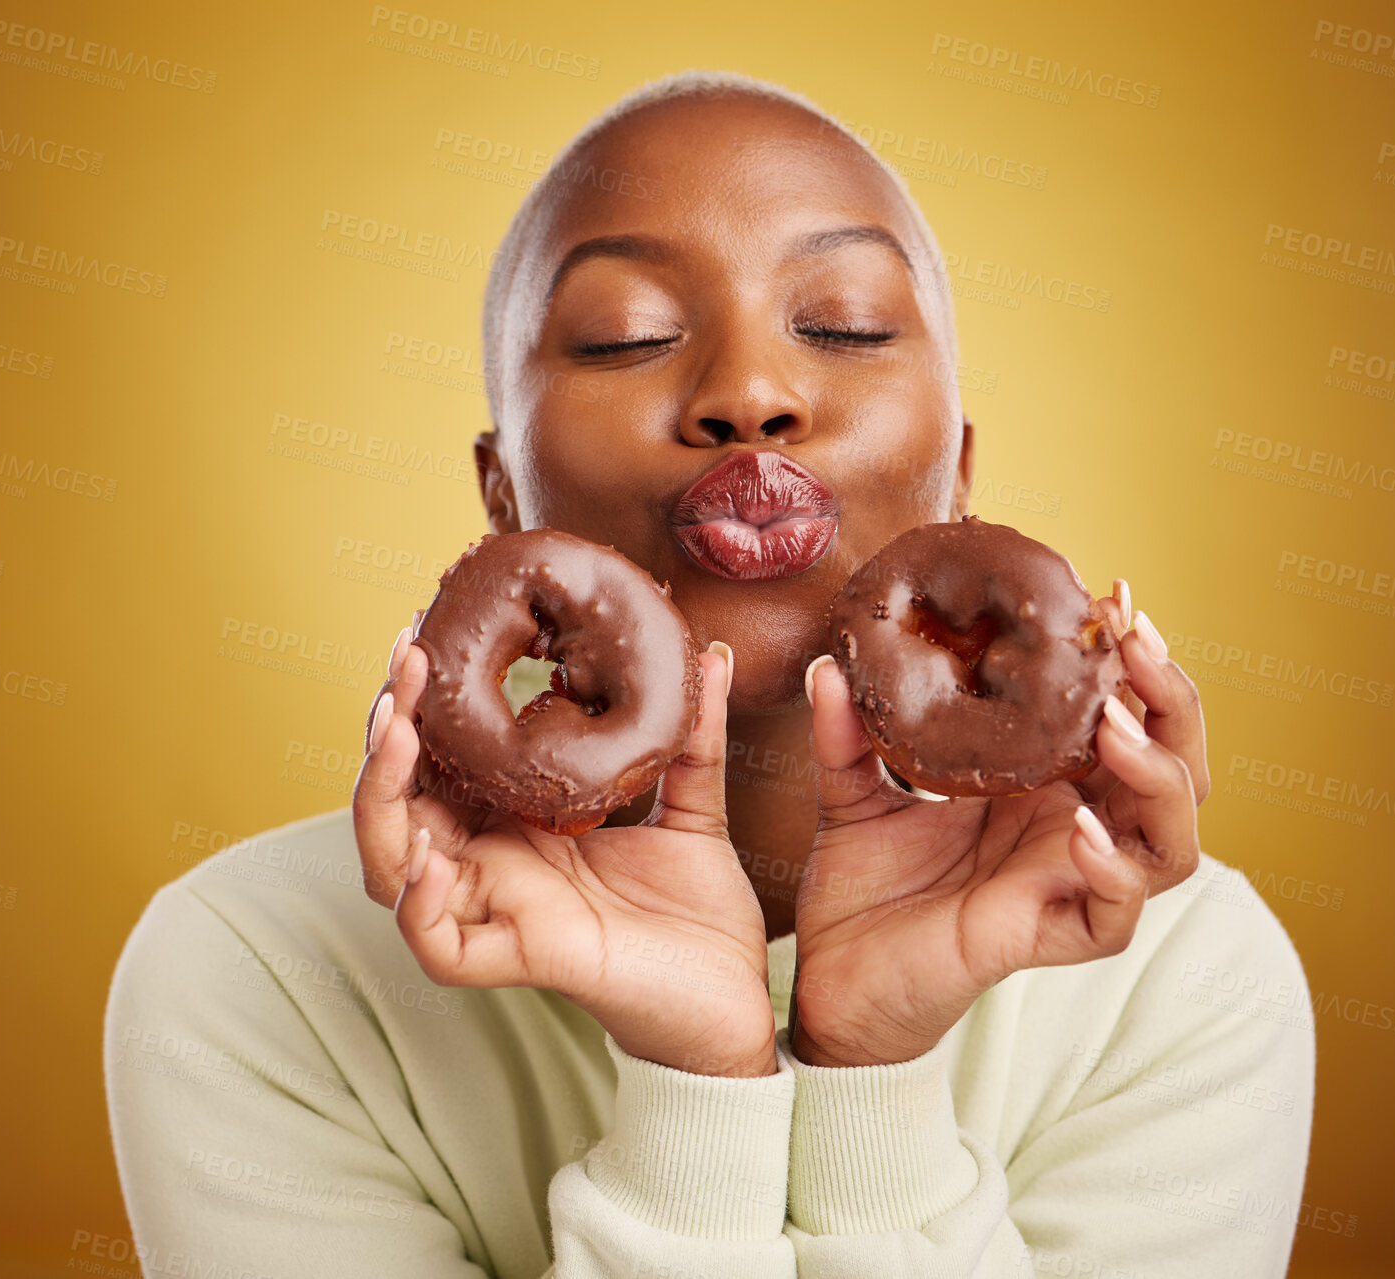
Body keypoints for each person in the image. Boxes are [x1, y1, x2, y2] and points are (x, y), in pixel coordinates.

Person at [105, 70, 1314, 1277]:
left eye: (840, 323)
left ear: (957, 475)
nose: (748, 395)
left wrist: (875, 1070)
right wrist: (694, 1077)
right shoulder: (252, 974)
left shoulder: (1179, 972)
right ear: (500, 494)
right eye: (623, 336)